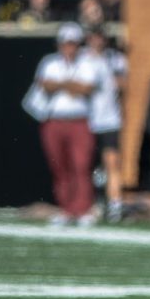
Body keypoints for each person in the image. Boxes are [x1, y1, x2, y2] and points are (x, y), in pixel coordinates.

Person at [33, 23, 99, 226]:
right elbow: (44, 83)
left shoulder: (88, 62)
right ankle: (66, 208)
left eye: (72, 43)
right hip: (54, 120)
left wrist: (60, 84)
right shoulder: (50, 62)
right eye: (65, 43)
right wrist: (69, 84)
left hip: (79, 120)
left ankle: (83, 208)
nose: (69, 48)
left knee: (80, 165)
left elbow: (86, 88)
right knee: (59, 166)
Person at [84, 25, 127, 223]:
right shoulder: (82, 58)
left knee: (112, 162)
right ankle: (90, 203)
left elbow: (124, 85)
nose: (97, 40)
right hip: (86, 118)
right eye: (94, 36)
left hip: (109, 119)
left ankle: (115, 205)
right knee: (86, 164)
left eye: (100, 36)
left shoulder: (114, 59)